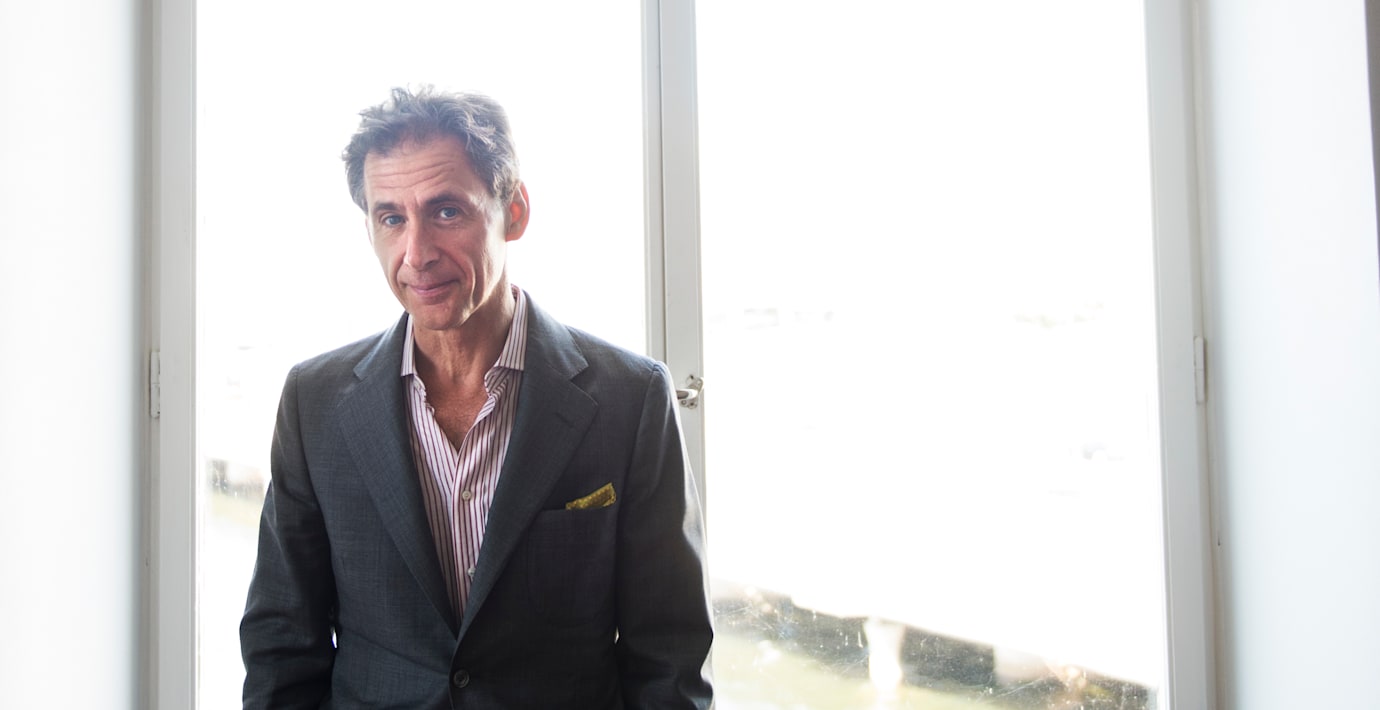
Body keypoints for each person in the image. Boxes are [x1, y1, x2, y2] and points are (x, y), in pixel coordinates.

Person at [240, 86, 714, 709]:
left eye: (446, 212)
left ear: (513, 212)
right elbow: (281, 643)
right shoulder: (315, 402)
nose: (416, 254)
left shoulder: (631, 398)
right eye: (391, 218)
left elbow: (670, 655)